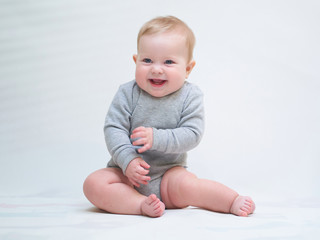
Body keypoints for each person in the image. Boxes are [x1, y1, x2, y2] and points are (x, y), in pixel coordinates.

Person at [83, 16, 255, 218]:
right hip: (126, 175)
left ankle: (231, 200)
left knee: (190, 185)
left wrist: (156, 137)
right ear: (135, 61)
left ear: (188, 69)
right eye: (147, 60)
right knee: (93, 184)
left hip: (168, 176)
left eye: (169, 62)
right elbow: (114, 128)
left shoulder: (190, 96)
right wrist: (128, 160)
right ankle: (139, 204)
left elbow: (192, 134)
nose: (156, 68)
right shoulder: (127, 92)